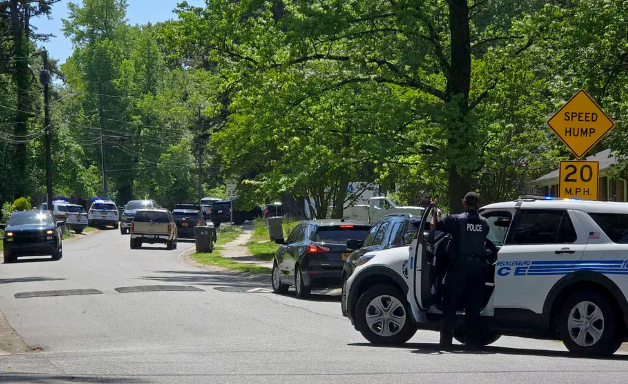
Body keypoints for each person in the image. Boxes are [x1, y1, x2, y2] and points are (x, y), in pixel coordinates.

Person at [430, 191, 490, 350]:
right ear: (477, 204)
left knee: (449, 305)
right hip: (477, 269)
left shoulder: (456, 220)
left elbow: (434, 225)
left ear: (464, 203)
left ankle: (445, 343)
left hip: (458, 268)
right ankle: (472, 343)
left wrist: (434, 212)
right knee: (473, 307)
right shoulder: (485, 223)